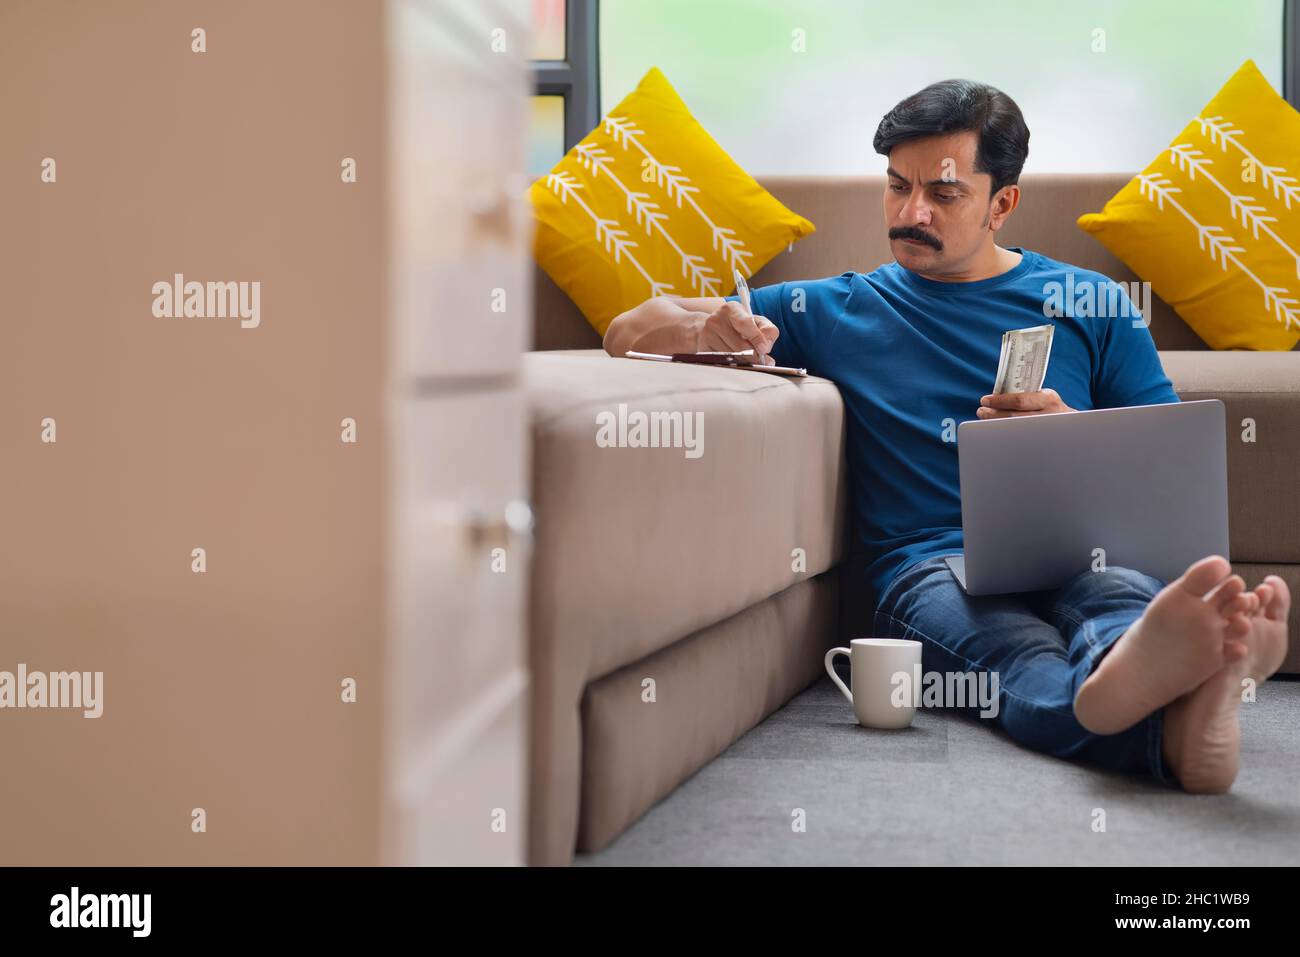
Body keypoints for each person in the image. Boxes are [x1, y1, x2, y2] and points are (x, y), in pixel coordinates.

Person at [602, 78, 1290, 793]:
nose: (912, 212)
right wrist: (704, 324)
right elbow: (627, 332)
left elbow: (1170, 470)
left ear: (1003, 203)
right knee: (1014, 657)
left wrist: (1072, 437)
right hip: (930, 568)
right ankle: (1178, 712)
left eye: (944, 193)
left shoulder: (1090, 302)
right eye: (897, 186)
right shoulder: (837, 306)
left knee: (1116, 599)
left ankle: (1154, 681)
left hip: (1087, 554)